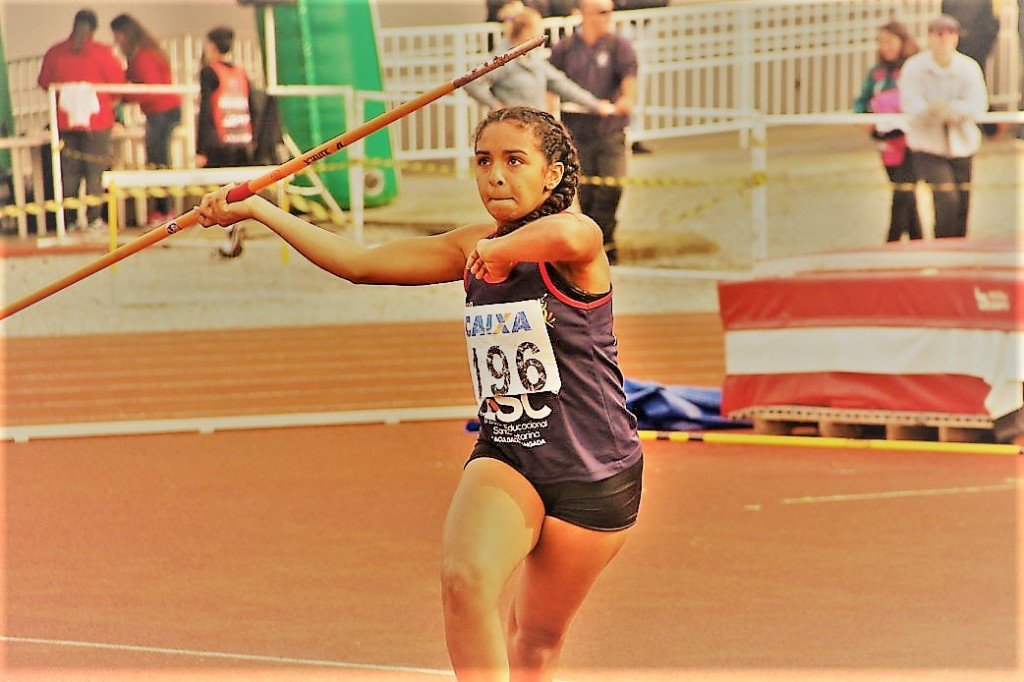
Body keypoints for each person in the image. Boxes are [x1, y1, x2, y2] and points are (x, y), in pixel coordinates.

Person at [196, 106, 643, 680]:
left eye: (515, 161)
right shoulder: (470, 246)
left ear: (551, 175)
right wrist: (260, 209)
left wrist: (503, 252)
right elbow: (360, 264)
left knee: (535, 641)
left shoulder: (573, 246)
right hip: (510, 451)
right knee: (464, 579)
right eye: (483, 161)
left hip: (594, 471)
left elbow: (574, 232)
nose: (495, 176)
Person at [549, 0, 637, 263]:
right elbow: (551, 84)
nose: (609, 16)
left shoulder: (619, 46)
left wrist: (626, 101)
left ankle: (604, 238)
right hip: (577, 131)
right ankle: (595, 245)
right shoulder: (565, 48)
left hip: (610, 130)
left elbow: (629, 83)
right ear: (584, 14)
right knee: (585, 191)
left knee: (612, 185)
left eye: (610, 10)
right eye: (602, 12)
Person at [899, 14, 988, 239]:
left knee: (963, 204)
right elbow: (910, 103)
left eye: (950, 34)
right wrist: (933, 111)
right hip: (927, 146)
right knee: (946, 199)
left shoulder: (968, 67)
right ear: (930, 37)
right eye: (939, 34)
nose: (944, 39)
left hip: (963, 145)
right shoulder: (914, 67)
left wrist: (953, 110)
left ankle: (959, 249)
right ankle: (942, 247)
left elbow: (977, 104)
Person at [37, 8, 125, 232]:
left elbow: (44, 82)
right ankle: (94, 219)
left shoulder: (55, 52)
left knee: (69, 173)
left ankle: (69, 221)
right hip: (98, 123)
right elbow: (118, 85)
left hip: (65, 123)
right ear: (94, 29)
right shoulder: (103, 53)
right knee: (95, 171)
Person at [466, 7, 617, 116]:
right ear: (526, 31)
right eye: (538, 27)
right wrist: (496, 105)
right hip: (512, 127)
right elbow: (472, 82)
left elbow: (563, 86)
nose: (541, 32)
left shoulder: (534, 60)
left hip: (534, 125)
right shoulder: (503, 59)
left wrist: (595, 105)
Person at [110, 13, 182, 227]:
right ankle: (164, 208)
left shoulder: (142, 56)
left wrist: (125, 96)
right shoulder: (148, 52)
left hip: (161, 111)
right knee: (159, 159)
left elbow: (150, 89)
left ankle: (164, 209)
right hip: (164, 110)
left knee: (157, 160)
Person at [853, 21, 922, 242]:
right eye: (881, 42)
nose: (884, 46)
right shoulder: (877, 73)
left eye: (889, 41)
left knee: (902, 192)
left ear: (902, 42)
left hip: (912, 141)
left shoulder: (915, 67)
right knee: (905, 195)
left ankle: (891, 241)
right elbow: (862, 101)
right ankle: (918, 240)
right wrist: (863, 118)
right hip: (887, 142)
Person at [196, 26, 256, 257]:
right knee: (237, 191)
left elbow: (205, 110)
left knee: (221, 194)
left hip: (220, 143)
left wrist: (200, 149)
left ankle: (232, 232)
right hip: (242, 140)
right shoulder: (240, 73)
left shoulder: (209, 72)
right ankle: (235, 231)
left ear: (212, 45)